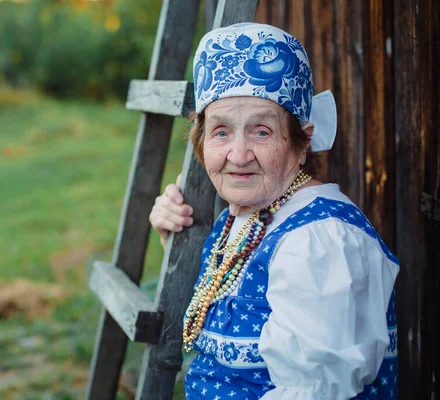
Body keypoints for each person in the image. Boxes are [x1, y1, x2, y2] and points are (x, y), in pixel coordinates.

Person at [149, 23, 399, 399]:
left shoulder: (319, 242)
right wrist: (174, 235)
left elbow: (315, 392)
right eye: (220, 132)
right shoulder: (245, 213)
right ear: (202, 143)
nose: (237, 155)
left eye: (261, 131)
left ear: (301, 144)